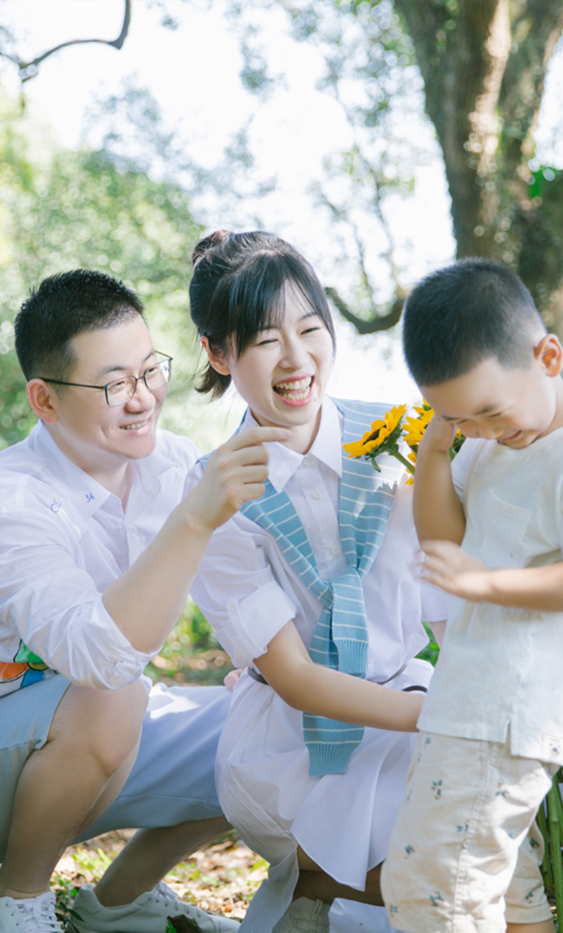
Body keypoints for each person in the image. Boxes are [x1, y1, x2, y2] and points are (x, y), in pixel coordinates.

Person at [0, 269, 288, 933]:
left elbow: (243, 582)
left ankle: (120, 901)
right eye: (114, 385)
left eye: (149, 371)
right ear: (45, 400)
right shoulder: (7, 501)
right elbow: (101, 658)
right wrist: (193, 518)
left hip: (100, 730)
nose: (142, 399)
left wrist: (265, 670)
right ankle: (13, 902)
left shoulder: (172, 464)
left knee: (263, 723)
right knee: (114, 693)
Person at [185, 230, 446, 933]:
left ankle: (312, 899)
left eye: (309, 329)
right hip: (293, 739)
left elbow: (446, 594)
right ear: (218, 353)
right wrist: (446, 716)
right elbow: (296, 679)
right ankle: (315, 882)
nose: (297, 359)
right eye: (266, 340)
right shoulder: (216, 491)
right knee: (439, 878)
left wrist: (478, 694)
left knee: (495, 820)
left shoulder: (400, 436)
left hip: (408, 697)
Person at [380, 258, 563, 933]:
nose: (485, 429)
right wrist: (436, 451)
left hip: (506, 711)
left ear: (548, 356)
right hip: (471, 699)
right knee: (503, 887)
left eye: (491, 411)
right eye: (460, 417)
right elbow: (445, 539)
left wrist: (486, 583)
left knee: (434, 889)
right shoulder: (489, 443)